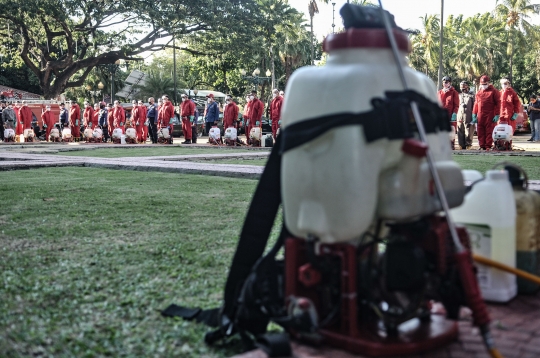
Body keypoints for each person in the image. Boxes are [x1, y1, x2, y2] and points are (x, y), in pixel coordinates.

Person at [472, 75, 500, 150]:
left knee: (489, 130)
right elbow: (476, 103)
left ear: (488, 83)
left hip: (490, 114)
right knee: (480, 130)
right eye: (482, 84)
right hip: (480, 114)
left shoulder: (494, 91)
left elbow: (498, 103)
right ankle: (481, 145)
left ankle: (488, 145)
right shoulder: (479, 92)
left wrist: (497, 114)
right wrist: (474, 114)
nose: (483, 86)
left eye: (485, 84)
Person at [437, 76, 459, 149]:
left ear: (450, 83)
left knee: (451, 130)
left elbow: (456, 105)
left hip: (451, 114)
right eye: (444, 83)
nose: (445, 84)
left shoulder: (454, 93)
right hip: (441, 114)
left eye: (447, 82)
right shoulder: (439, 92)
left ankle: (451, 144)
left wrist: (455, 113)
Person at [457, 81, 475, 150]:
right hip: (460, 114)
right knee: (460, 128)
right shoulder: (459, 95)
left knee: (468, 129)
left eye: (464, 87)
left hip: (468, 114)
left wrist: (474, 115)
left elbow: (475, 106)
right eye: (461, 88)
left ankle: (468, 144)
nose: (463, 89)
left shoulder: (472, 95)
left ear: (467, 87)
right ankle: (461, 145)